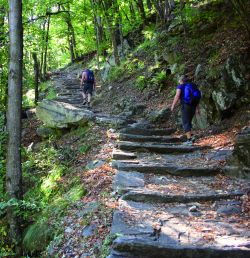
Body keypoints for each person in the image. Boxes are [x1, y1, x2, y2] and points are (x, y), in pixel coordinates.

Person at [171, 75, 200, 145]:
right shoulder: (192, 85)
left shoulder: (180, 86)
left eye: (179, 80)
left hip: (185, 106)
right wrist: (197, 108)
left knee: (185, 122)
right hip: (193, 106)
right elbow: (196, 98)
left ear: (181, 80)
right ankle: (191, 137)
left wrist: (173, 105)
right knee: (189, 121)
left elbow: (177, 96)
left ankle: (189, 140)